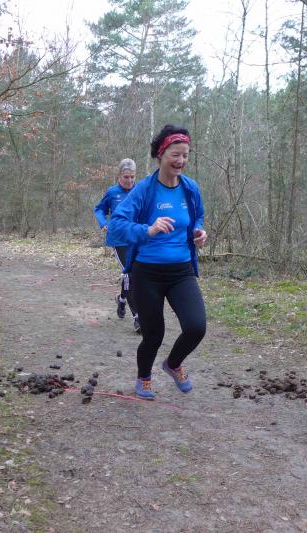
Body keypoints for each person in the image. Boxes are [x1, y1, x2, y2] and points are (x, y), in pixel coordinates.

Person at [108, 125, 208, 400]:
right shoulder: (144, 190)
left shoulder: (190, 188)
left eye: (185, 155)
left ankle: (173, 364)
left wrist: (198, 232)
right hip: (147, 273)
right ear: (161, 155)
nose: (181, 161)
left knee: (196, 326)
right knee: (154, 334)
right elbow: (116, 226)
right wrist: (147, 230)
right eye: (175, 154)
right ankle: (144, 377)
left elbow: (198, 217)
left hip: (181, 271)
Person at [94, 158, 140, 333]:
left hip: (137, 238)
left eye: (132, 177)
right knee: (129, 275)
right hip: (119, 239)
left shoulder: (140, 191)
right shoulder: (112, 192)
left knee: (135, 276)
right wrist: (103, 223)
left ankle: (122, 299)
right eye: (126, 177)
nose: (129, 180)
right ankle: (138, 318)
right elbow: (99, 209)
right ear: (120, 176)